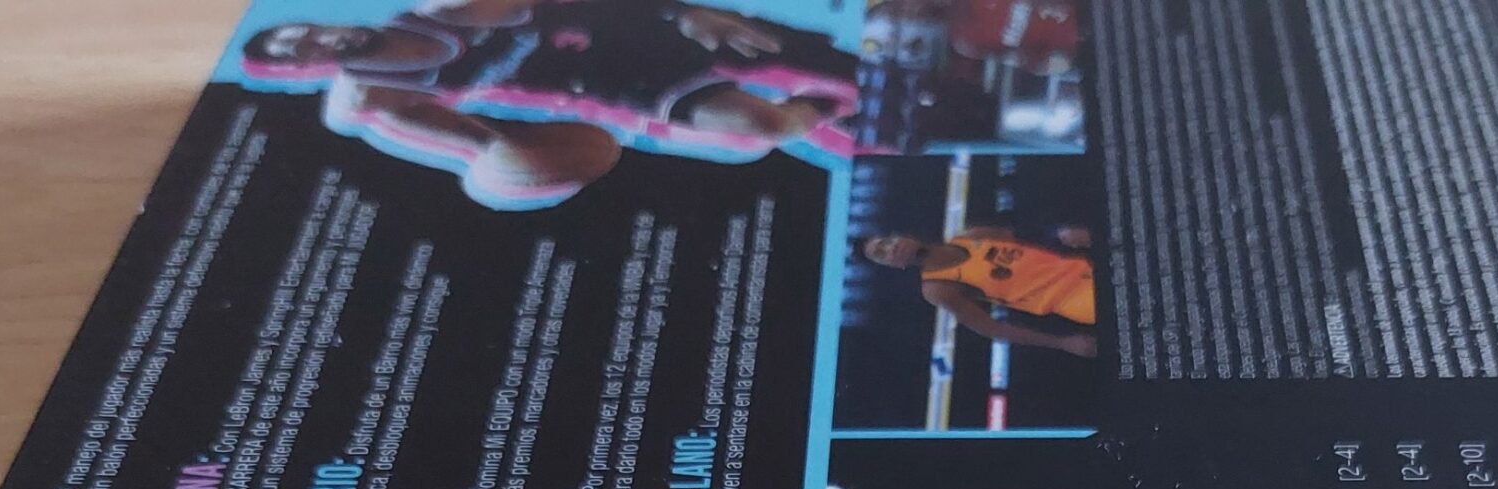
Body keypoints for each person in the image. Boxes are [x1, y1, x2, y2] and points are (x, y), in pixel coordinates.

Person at [241, 0, 864, 206]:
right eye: (299, 52)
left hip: (634, 30)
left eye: (304, 30)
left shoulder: (442, 10)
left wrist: (685, 11)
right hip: (616, 84)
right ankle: (827, 108)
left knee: (805, 49)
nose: (316, 40)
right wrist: (508, 163)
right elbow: (482, 152)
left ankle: (853, 83)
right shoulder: (381, 96)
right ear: (306, 70)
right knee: (762, 124)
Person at [860, 226, 1098, 356]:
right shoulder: (938, 287)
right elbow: (992, 328)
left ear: (903, 235)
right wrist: (1063, 343)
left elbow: (1031, 236)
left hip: (1084, 267)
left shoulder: (971, 236)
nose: (891, 248)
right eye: (882, 254)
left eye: (887, 241)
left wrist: (1064, 234)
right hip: (1075, 300)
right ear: (894, 266)